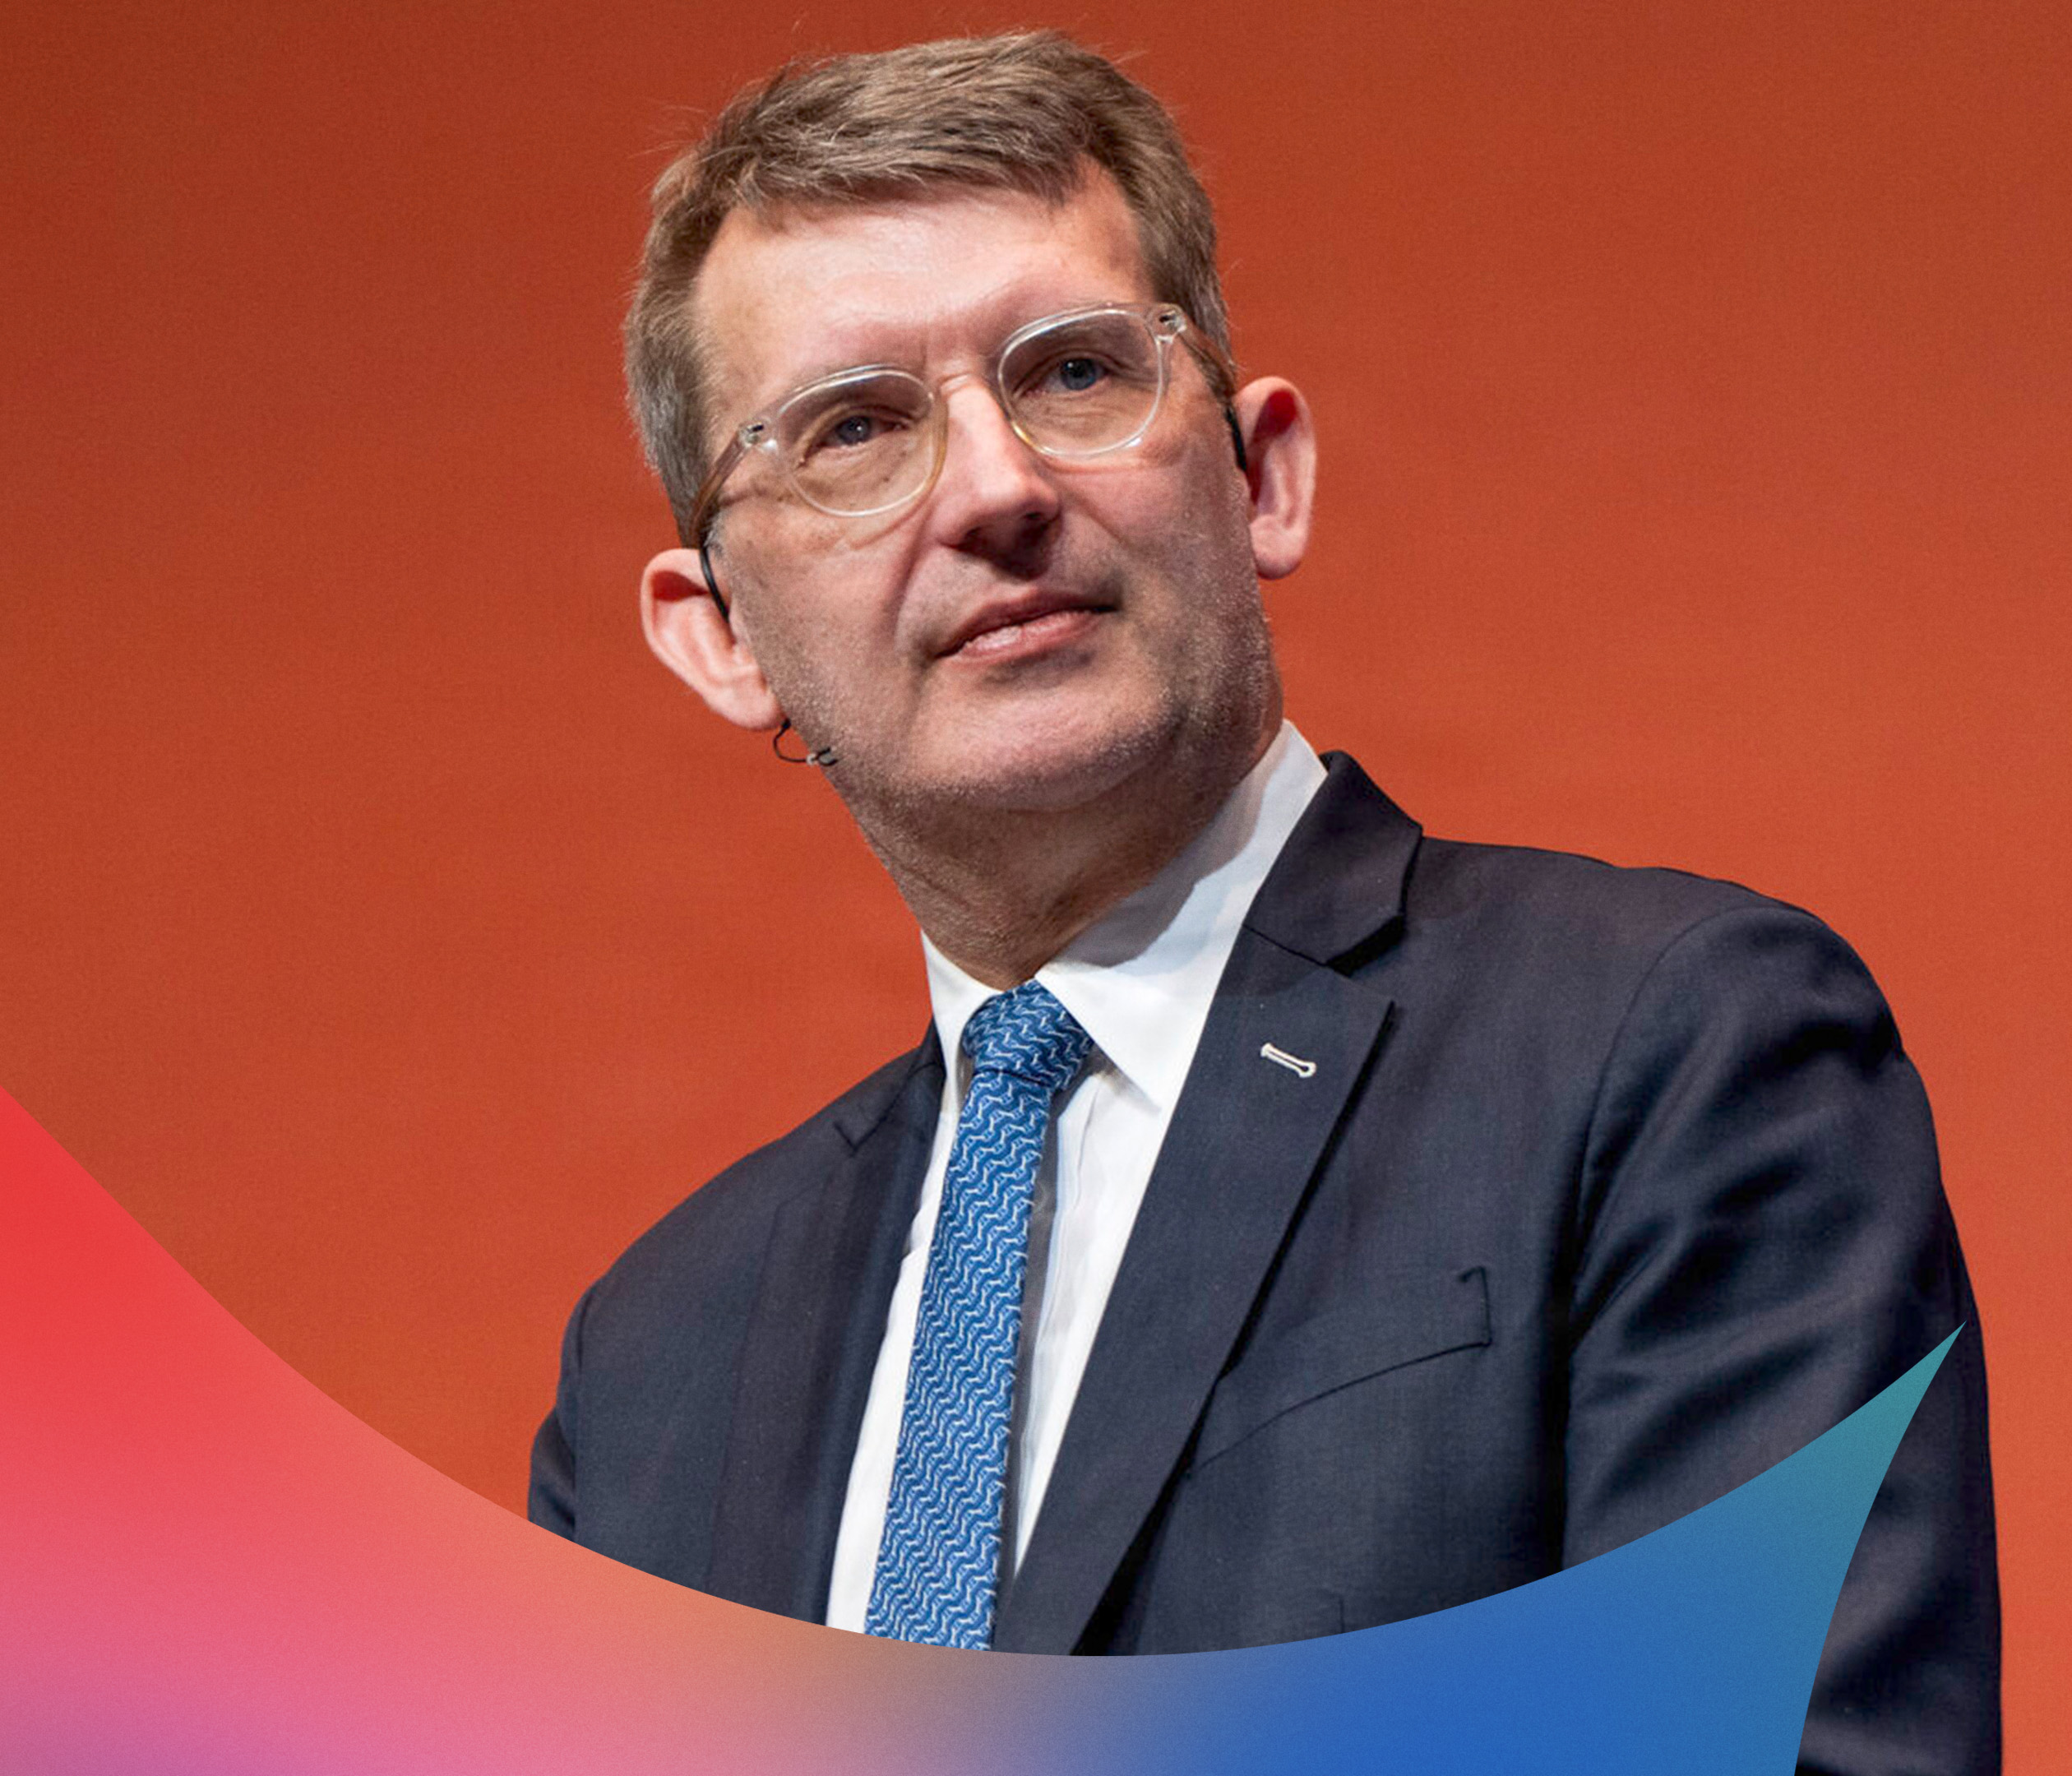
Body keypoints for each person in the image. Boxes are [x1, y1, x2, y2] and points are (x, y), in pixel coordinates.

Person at [530, 30, 1997, 1770]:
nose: (998, 489)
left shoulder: (1668, 1051)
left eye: (1076, 373)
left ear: (1260, 475)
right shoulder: (657, 1365)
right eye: (855, 428)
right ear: (719, 635)